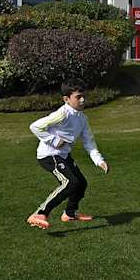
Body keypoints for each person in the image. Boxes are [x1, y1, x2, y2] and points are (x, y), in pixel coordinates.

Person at [26, 80, 109, 230]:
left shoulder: (82, 118)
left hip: (63, 155)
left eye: (83, 96)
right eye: (78, 97)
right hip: (49, 155)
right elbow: (35, 126)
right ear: (66, 99)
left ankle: (69, 213)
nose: (82, 100)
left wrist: (99, 160)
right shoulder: (62, 114)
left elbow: (89, 141)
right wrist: (54, 140)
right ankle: (40, 213)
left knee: (81, 183)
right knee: (70, 182)